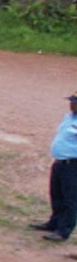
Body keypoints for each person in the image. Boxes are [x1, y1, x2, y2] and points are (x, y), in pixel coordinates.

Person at [41, 97, 77, 241]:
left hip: (73, 165)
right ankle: (54, 223)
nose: (71, 105)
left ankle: (63, 231)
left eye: (75, 103)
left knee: (70, 199)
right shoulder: (68, 118)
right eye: (71, 101)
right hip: (60, 162)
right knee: (57, 195)